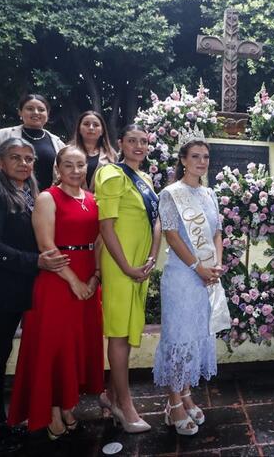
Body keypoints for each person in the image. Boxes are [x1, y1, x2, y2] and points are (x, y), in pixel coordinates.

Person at [0, 138, 69, 454]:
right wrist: (34, 261)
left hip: (15, 293)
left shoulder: (29, 195)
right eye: (16, 158)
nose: (24, 164)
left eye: (29, 159)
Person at [7, 146, 104, 439]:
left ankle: (66, 405)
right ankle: (49, 411)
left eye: (81, 165)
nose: (76, 170)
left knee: (75, 347)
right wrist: (74, 281)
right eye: (69, 165)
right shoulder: (47, 198)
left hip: (88, 279)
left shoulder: (92, 199)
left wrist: (95, 277)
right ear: (58, 169)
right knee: (53, 347)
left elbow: (99, 241)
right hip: (56, 282)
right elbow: (46, 245)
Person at [153, 136, 222, 436]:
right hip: (182, 277)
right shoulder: (171, 193)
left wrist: (215, 263)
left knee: (195, 337)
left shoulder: (209, 193)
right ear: (183, 160)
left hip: (206, 275)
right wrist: (198, 266)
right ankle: (172, 404)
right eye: (195, 156)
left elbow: (217, 230)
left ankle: (186, 394)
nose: (201, 162)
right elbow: (171, 235)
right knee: (178, 338)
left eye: (205, 156)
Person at [95, 125, 160, 433]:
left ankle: (109, 395)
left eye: (143, 141)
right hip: (120, 265)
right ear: (119, 143)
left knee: (128, 330)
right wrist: (126, 266)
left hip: (140, 265)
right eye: (131, 140)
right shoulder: (110, 174)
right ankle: (124, 404)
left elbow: (155, 221)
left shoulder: (146, 179)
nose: (138, 145)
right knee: (119, 335)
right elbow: (106, 227)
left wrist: (151, 257)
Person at [0, 94, 65, 190]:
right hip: (10, 198)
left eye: (41, 110)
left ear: (47, 114)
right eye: (30, 109)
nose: (36, 112)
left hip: (47, 201)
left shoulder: (58, 143)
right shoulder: (3, 135)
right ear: (20, 112)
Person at [70, 110, 117, 190]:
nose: (91, 128)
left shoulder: (111, 155)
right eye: (86, 124)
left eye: (95, 125)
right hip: (71, 199)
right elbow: (57, 179)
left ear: (102, 131)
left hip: (102, 201)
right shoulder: (67, 152)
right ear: (79, 129)